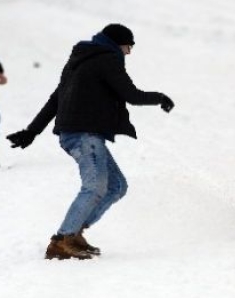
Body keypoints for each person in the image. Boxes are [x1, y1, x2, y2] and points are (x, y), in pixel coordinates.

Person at [6, 24, 175, 260]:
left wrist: (31, 131)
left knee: (116, 187)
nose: (128, 53)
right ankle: (62, 241)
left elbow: (56, 98)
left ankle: (73, 234)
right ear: (118, 44)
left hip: (80, 134)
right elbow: (131, 95)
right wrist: (161, 98)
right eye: (128, 46)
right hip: (83, 134)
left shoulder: (80, 59)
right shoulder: (107, 59)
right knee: (94, 186)